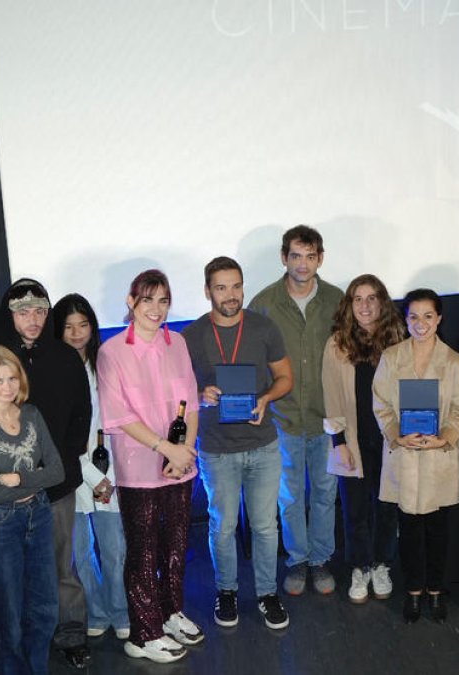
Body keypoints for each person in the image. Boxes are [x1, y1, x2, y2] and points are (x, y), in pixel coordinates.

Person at [183, 257, 294, 630]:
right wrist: (200, 393)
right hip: (216, 449)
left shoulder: (263, 326)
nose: (230, 295)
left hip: (262, 444)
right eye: (221, 288)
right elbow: (179, 393)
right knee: (223, 525)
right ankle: (226, 590)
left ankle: (267, 593)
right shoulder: (192, 336)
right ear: (207, 291)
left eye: (236, 286)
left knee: (265, 526)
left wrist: (265, 399)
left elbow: (285, 378)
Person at [98, 270, 203, 661]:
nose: (156, 310)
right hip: (138, 468)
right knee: (142, 551)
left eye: (163, 301)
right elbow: (119, 416)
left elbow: (190, 404)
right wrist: (166, 448)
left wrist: (185, 450)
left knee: (177, 545)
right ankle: (143, 634)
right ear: (131, 301)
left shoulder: (177, 343)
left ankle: (170, 613)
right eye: (147, 300)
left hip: (180, 465)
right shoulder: (112, 352)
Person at [0, 278, 93, 668]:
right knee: (16, 572)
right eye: (23, 312)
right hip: (9, 490)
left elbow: (80, 418)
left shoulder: (66, 357)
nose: (33, 319)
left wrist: (55, 466)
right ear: (10, 316)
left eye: (39, 310)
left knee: (61, 566)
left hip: (56, 485)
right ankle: (28, 639)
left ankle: (71, 634)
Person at [248, 225, 344, 596]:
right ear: (283, 257)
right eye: (295, 256)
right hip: (283, 418)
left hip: (327, 417)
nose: (303, 264)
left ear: (320, 258)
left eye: (310, 256)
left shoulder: (338, 300)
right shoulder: (263, 303)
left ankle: (320, 561)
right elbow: (254, 362)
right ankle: (298, 561)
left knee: (324, 492)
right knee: (289, 496)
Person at [0, 346, 64, 675]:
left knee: (46, 610)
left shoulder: (31, 413)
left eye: (12, 378)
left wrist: (19, 477)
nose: (7, 387)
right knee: (11, 622)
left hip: (40, 513)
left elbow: (58, 472)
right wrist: (37, 479)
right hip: (0, 524)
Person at [373, 288, 459, 624]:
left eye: (428, 316)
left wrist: (445, 437)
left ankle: (436, 591)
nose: (421, 323)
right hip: (404, 454)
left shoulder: (454, 361)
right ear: (405, 319)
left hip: (438, 456)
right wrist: (396, 433)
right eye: (413, 316)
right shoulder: (391, 357)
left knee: (438, 531)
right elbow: (381, 403)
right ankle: (413, 593)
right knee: (409, 530)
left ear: (439, 318)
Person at [322, 274, 406, 604]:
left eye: (372, 298)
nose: (365, 305)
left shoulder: (400, 339)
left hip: (391, 440)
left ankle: (382, 565)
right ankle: (360, 567)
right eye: (358, 298)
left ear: (382, 302)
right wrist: (338, 442)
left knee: (387, 508)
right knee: (355, 511)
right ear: (349, 304)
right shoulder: (337, 344)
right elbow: (331, 397)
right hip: (353, 441)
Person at [52, 294, 130, 642]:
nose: (76, 333)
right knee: (80, 555)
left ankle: (121, 611)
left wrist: (107, 477)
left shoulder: (107, 364)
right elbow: (59, 435)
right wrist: (90, 476)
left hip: (111, 469)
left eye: (83, 324)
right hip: (72, 475)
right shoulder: (51, 372)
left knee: (115, 550)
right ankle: (95, 611)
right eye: (68, 326)